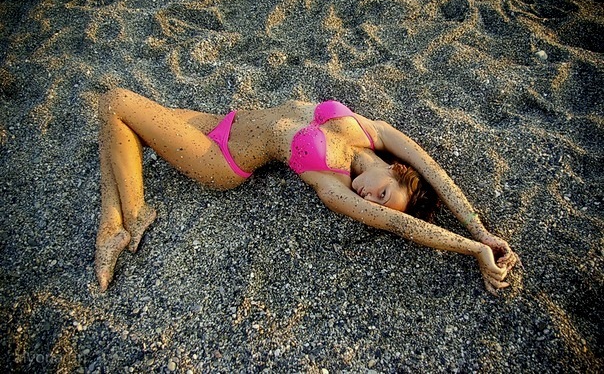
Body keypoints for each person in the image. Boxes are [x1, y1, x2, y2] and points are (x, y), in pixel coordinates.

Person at [95, 88, 519, 294]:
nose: (370, 200)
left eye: (378, 206)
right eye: (383, 194)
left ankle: (126, 216)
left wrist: (473, 250)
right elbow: (434, 171)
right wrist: (480, 230)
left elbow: (401, 226)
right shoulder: (375, 132)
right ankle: (119, 222)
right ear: (395, 169)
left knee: (116, 104)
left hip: (218, 157)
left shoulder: (333, 186)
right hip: (221, 122)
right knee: (119, 125)